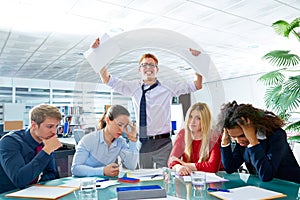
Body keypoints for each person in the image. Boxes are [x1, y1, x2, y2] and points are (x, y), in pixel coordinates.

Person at [92, 38, 203, 169]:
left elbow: (197, 84)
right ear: (139, 69)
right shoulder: (133, 87)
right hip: (143, 142)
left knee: (166, 177)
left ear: (157, 69)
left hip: (163, 143)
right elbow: (107, 79)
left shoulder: (168, 87)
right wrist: (98, 55)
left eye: (152, 65)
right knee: (144, 178)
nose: (148, 68)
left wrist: (197, 61)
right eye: (144, 65)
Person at [217, 101, 300, 183]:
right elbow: (230, 168)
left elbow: (266, 175)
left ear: (251, 127)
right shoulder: (242, 142)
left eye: (242, 135)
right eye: (233, 137)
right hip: (263, 188)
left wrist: (253, 141)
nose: (238, 141)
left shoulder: (277, 136)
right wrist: (225, 142)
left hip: (288, 186)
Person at [0, 104, 62, 194]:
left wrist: (38, 188)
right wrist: (46, 151)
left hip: (33, 193)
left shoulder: (45, 141)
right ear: (34, 125)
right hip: (8, 194)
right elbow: (19, 180)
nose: (54, 132)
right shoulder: (10, 142)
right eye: (49, 126)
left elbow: (52, 174)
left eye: (56, 126)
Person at [71, 105, 139, 177]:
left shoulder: (120, 142)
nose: (122, 130)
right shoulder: (89, 140)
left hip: (104, 183)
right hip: (84, 184)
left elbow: (131, 166)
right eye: (119, 125)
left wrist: (132, 139)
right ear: (108, 120)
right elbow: (75, 169)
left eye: (125, 126)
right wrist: (103, 171)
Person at [168, 102, 222, 175]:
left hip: (215, 179)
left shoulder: (214, 136)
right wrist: (179, 167)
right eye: (190, 117)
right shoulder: (183, 134)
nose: (192, 121)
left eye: (198, 118)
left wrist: (185, 164)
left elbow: (212, 167)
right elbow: (172, 160)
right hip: (190, 178)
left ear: (205, 120)